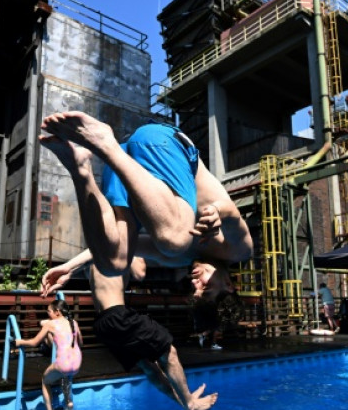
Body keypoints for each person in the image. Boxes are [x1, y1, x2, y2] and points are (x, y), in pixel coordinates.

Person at [39, 133, 217, 410]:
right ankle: (190, 401)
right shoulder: (115, 251)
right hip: (118, 316)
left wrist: (68, 268)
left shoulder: (99, 253)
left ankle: (185, 401)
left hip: (104, 324)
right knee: (167, 352)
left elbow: (95, 254)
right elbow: (141, 272)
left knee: (149, 368)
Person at [37, 113, 252, 278]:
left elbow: (133, 245)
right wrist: (216, 212)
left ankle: (80, 169)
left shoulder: (178, 259)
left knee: (114, 264)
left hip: (127, 164)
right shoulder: (238, 252)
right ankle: (105, 145)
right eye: (207, 288)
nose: (196, 283)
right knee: (175, 240)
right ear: (228, 285)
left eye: (194, 291)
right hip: (164, 143)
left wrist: (69, 267)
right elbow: (231, 212)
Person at [16, 299, 83, 410]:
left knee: (45, 380)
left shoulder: (50, 324)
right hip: (77, 362)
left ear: (57, 312)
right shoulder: (73, 323)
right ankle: (68, 403)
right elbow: (80, 342)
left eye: (49, 311)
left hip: (63, 363)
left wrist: (20, 342)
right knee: (65, 376)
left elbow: (34, 342)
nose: (48, 313)